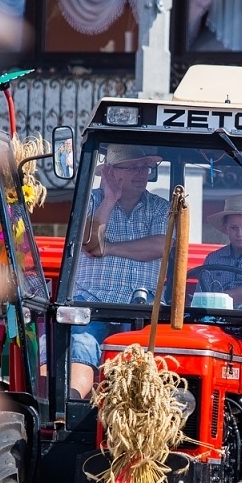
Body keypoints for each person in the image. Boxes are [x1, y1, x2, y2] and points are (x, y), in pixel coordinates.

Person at [69, 148, 170, 398]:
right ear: (110, 172)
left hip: (142, 307)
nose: (141, 173)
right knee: (82, 343)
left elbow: (159, 247)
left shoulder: (161, 207)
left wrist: (109, 247)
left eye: (145, 167)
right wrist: (109, 200)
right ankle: (72, 408)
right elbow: (88, 243)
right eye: (133, 167)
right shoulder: (89, 201)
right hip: (92, 302)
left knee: (146, 357)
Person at [188, 194, 242, 308]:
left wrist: (216, 298)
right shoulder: (213, 258)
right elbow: (201, 294)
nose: (239, 233)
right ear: (226, 228)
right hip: (214, 317)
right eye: (234, 228)